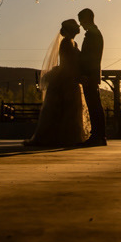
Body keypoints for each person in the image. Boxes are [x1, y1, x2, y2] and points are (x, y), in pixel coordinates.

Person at [23, 19, 90, 147]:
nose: (79, 26)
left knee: (70, 110)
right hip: (67, 80)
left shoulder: (72, 43)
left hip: (70, 79)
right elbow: (67, 63)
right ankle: (64, 137)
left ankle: (68, 137)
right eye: (76, 25)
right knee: (66, 109)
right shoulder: (66, 43)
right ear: (71, 29)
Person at [77, 8, 108, 146]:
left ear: (87, 19)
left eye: (81, 21)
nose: (81, 25)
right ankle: (99, 135)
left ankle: (98, 136)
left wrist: (86, 74)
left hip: (90, 75)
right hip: (92, 75)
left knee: (94, 106)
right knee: (94, 105)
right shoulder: (94, 34)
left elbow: (91, 58)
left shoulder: (93, 35)